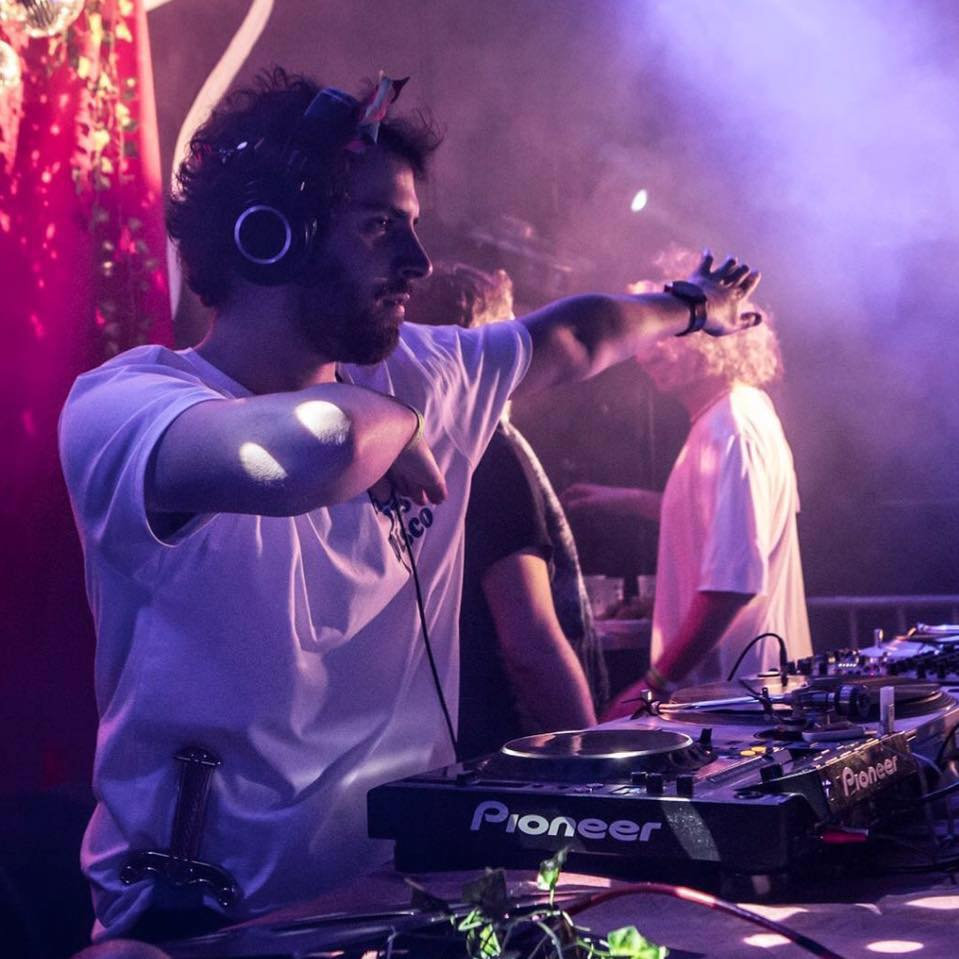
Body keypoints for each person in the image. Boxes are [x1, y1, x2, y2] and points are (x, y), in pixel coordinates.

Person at [58, 67, 763, 941]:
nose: (417, 263)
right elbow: (310, 450)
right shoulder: (124, 406)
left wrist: (688, 307)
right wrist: (390, 422)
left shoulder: (421, 372)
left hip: (403, 903)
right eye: (378, 226)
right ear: (270, 236)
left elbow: (574, 335)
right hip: (211, 926)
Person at [562, 263, 811, 717]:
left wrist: (655, 685)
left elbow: (731, 585)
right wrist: (628, 501)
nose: (647, 352)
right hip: (730, 702)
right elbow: (720, 524)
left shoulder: (732, 428)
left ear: (718, 329)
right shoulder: (732, 416)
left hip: (736, 707)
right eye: (646, 335)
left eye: (669, 331)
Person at [406, 263, 606, 759]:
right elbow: (530, 645)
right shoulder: (490, 451)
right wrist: (597, 760)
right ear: (483, 343)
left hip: (425, 736)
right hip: (502, 748)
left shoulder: (400, 441)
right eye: (512, 331)